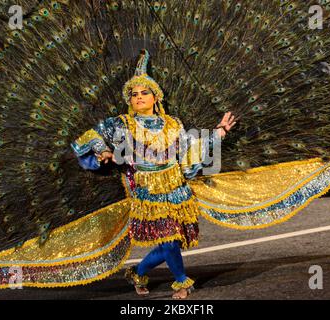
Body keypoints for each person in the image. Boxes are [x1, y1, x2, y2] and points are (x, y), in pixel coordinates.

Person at [71, 50, 236, 299]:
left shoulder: (173, 123)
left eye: (144, 93)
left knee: (172, 241)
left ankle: (137, 272)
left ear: (155, 96)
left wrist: (219, 132)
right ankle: (182, 282)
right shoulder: (122, 123)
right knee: (169, 239)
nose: (139, 98)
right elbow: (89, 136)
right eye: (134, 94)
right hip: (148, 191)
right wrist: (103, 150)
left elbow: (189, 151)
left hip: (177, 188)